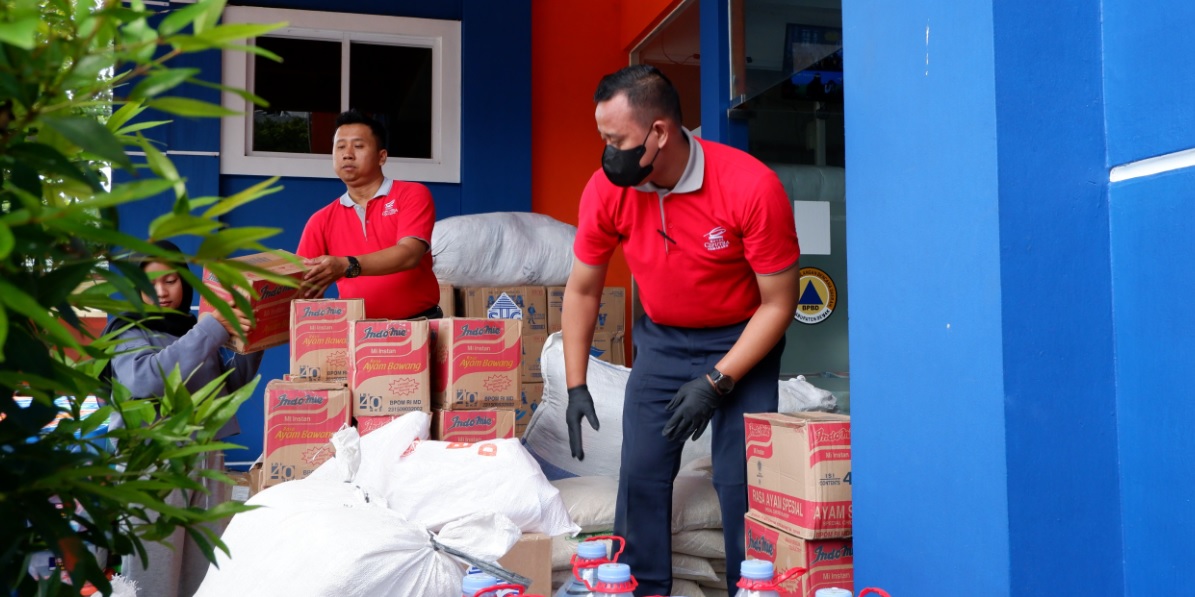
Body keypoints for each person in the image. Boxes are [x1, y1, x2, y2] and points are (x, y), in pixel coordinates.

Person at [562, 65, 801, 596]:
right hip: (664, 340)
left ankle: (751, 588)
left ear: (660, 132)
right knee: (642, 472)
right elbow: (582, 290)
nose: (607, 154)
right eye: (603, 138)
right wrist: (576, 384)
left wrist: (717, 382)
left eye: (616, 140)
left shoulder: (750, 185)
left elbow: (779, 304)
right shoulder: (607, 191)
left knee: (740, 478)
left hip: (744, 337)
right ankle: (640, 588)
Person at [102, 239, 262, 597]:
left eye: (171, 281)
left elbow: (227, 386)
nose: (161, 292)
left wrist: (254, 339)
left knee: (203, 570)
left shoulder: (194, 328)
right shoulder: (129, 331)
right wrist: (210, 330)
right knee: (152, 571)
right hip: (153, 463)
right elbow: (146, 379)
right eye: (149, 283)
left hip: (205, 458)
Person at [296, 109, 442, 319]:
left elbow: (410, 254)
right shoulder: (321, 220)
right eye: (340, 147)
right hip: (355, 330)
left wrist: (347, 265)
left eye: (358, 146)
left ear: (381, 157)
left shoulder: (411, 194)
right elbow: (301, 283)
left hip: (419, 323)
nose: (347, 154)